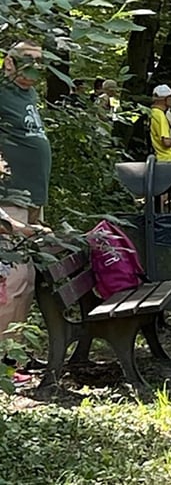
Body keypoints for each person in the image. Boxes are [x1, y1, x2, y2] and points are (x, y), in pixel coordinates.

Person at [0, 41, 52, 383]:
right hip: (9, 198)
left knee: (28, 279)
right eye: (27, 61)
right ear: (9, 63)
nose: (35, 68)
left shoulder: (28, 94)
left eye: (39, 62)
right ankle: (3, 362)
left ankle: (15, 353)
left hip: (32, 199)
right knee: (12, 279)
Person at [150, 84, 171, 162]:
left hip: (159, 158)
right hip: (167, 159)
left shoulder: (153, 113)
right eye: (170, 97)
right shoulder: (160, 116)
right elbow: (166, 142)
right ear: (164, 99)